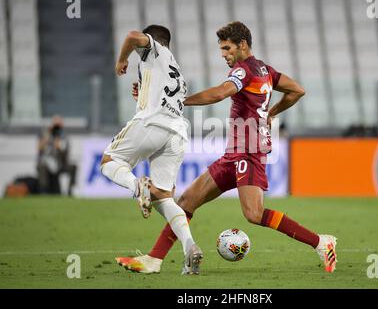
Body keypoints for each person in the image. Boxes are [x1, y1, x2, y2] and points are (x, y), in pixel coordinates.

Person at [124, 21, 338, 274]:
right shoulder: (265, 70)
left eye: (227, 48)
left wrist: (177, 102)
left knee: (254, 214)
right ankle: (154, 259)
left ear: (243, 45)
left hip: (249, 152)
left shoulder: (244, 70)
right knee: (186, 201)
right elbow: (296, 90)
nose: (223, 54)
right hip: (234, 154)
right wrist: (271, 112)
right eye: (221, 49)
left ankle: (321, 242)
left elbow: (219, 93)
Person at [101, 24, 203, 275]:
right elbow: (162, 96)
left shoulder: (154, 49)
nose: (138, 49)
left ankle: (138, 188)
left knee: (108, 161)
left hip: (151, 124)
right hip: (176, 133)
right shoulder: (175, 70)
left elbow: (131, 36)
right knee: (163, 198)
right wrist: (142, 92)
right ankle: (190, 248)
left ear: (155, 40)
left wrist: (122, 60)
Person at [37, 115, 76, 195]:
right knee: (42, 166)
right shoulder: (46, 134)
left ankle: (70, 190)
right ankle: (44, 191)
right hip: (47, 163)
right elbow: (39, 147)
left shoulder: (64, 136)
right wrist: (47, 138)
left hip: (61, 162)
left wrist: (58, 142)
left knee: (73, 166)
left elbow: (64, 150)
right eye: (55, 125)